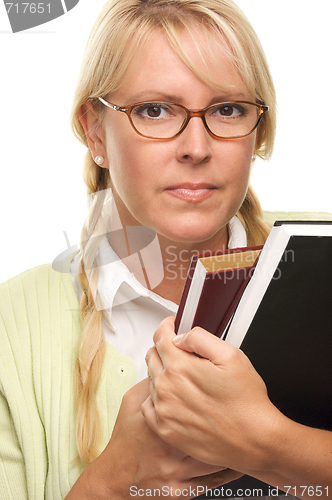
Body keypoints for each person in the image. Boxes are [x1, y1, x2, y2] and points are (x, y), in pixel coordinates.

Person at [0, 0, 304, 498]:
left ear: (260, 129)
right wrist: (118, 478)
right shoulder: (11, 328)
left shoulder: (320, 257)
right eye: (155, 110)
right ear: (95, 129)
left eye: (228, 109)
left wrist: (271, 445)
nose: (196, 147)